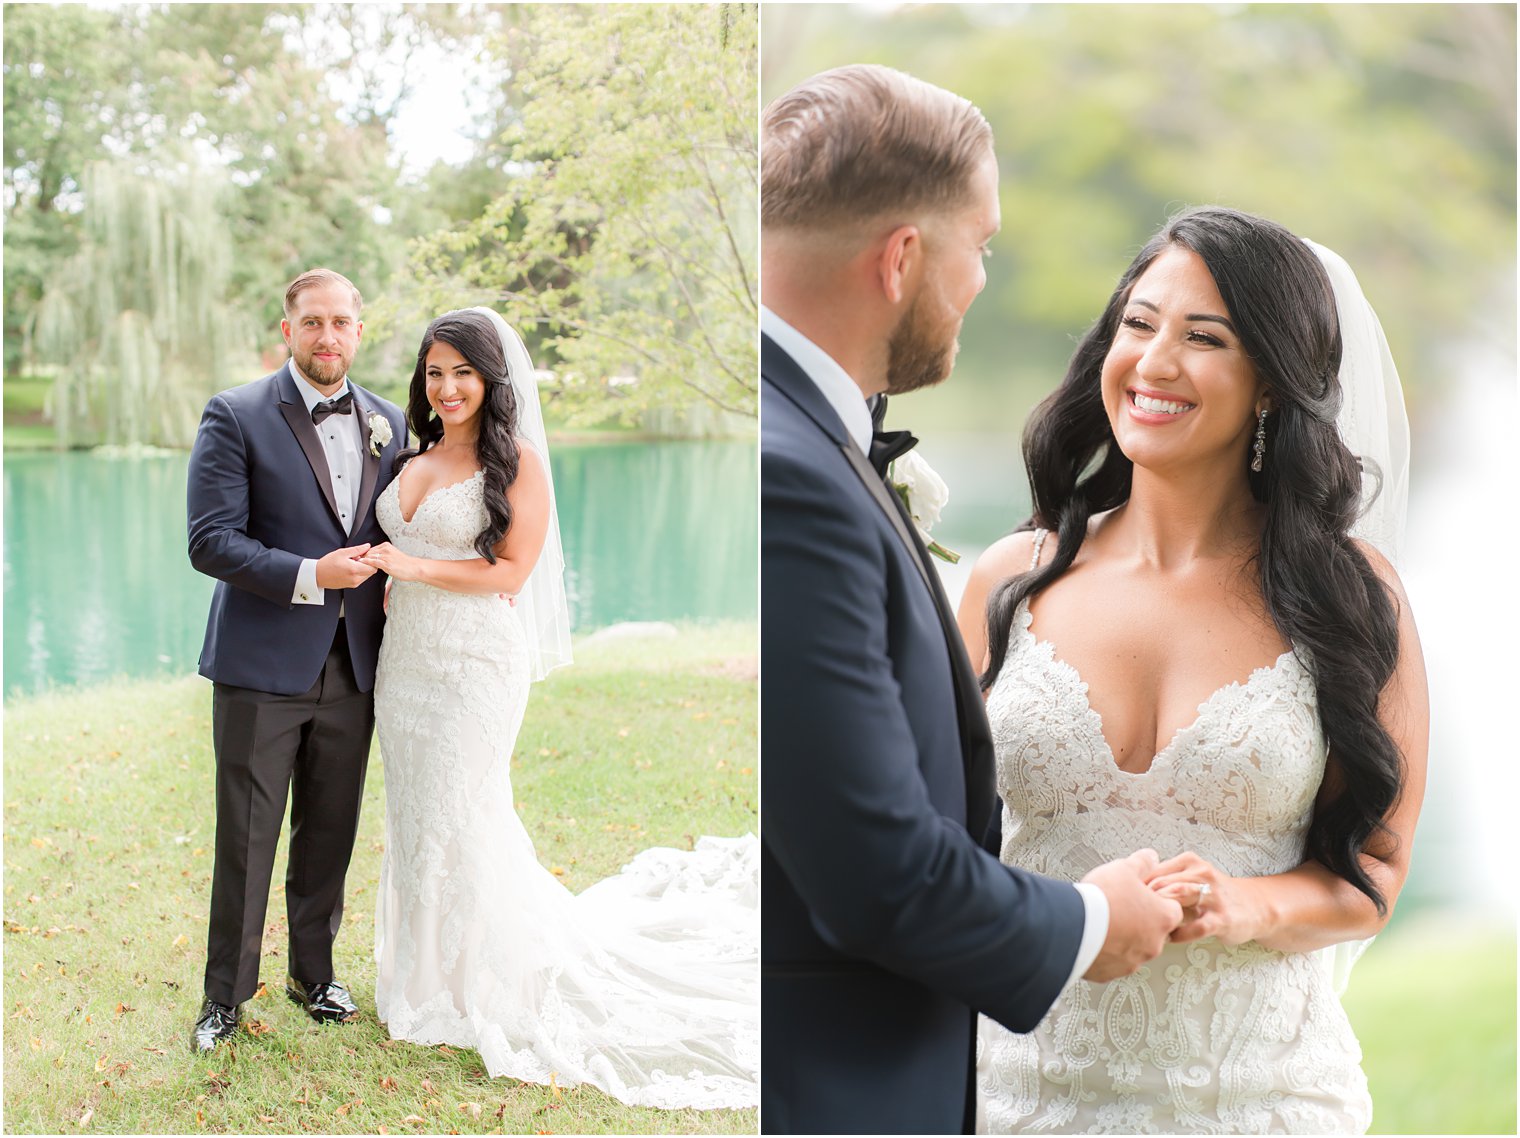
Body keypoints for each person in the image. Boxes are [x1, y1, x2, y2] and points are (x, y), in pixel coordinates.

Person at [760, 64, 1182, 1135]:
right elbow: (873, 870)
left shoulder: (806, 440)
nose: (982, 279)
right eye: (980, 246)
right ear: (901, 258)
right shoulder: (790, 477)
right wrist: (1088, 923)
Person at [957, 206, 1429, 1133]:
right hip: (1018, 1087)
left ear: (1269, 385)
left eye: (1204, 338)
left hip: (1255, 1099)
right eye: (1139, 324)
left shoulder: (1355, 598)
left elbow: (1373, 873)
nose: (1155, 363)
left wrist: (1243, 905)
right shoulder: (1012, 577)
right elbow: (942, 846)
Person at [356, 307, 758, 1110]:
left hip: (473, 661)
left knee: (465, 808)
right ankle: (421, 976)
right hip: (406, 666)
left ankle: (481, 981)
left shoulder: (521, 464)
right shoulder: (413, 455)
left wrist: (412, 566)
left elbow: (508, 575)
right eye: (435, 372)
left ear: (491, 379)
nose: (447, 387)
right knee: (414, 810)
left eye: (463, 372)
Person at [186, 268, 409, 1051]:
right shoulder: (237, 414)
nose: (327, 337)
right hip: (261, 667)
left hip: (355, 665)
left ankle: (313, 974)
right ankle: (224, 997)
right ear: (288, 330)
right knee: (247, 834)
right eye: (312, 323)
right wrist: (313, 575)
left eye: (341, 323)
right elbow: (210, 541)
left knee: (331, 828)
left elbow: (407, 535)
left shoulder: (390, 421)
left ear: (358, 330)